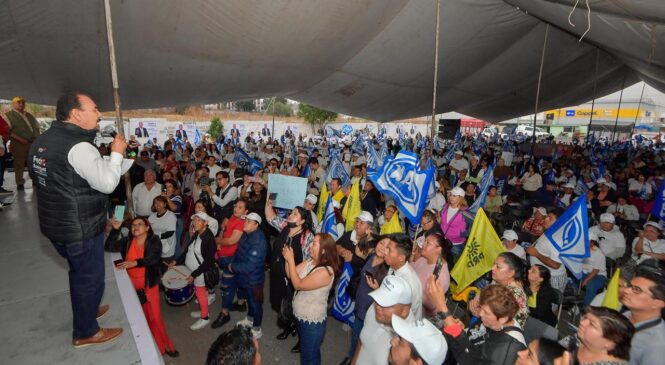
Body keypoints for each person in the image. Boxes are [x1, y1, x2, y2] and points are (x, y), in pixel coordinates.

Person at [28, 91, 125, 347]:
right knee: (90, 278)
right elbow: (106, 183)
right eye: (93, 109)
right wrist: (116, 154)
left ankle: (87, 310)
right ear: (76, 113)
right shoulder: (78, 145)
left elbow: (64, 176)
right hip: (80, 228)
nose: (98, 113)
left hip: (55, 225)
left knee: (78, 273)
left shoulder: (43, 140)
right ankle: (86, 332)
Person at [106, 217, 178, 357]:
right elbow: (109, 247)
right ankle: (155, 347)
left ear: (147, 228)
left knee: (156, 318)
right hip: (133, 289)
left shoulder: (154, 240)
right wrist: (115, 230)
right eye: (133, 225)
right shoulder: (127, 241)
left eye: (140, 224)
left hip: (149, 287)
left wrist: (134, 263)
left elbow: (153, 258)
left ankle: (167, 346)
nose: (135, 227)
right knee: (144, 318)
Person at [427, 282, 527, 365]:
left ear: (503, 319)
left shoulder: (505, 351)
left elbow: (470, 359)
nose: (480, 314)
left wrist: (442, 308)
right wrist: (463, 331)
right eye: (481, 308)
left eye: (486, 312)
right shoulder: (496, 321)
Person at [283, 233, 341, 364]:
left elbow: (298, 285)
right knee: (309, 352)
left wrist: (291, 260)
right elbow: (290, 274)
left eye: (314, 243)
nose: (310, 245)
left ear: (324, 250)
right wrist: (287, 259)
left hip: (312, 323)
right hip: (301, 317)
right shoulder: (311, 261)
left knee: (309, 357)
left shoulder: (326, 272)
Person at [265, 198, 314, 340]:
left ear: (301, 221)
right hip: (278, 276)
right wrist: (269, 204)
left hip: (295, 279)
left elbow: (310, 262)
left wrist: (298, 279)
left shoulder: (307, 237)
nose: (290, 215)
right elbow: (270, 217)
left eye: (295, 214)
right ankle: (287, 327)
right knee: (281, 304)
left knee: (296, 309)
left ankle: (301, 338)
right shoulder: (286, 226)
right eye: (291, 212)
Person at [340, 235, 391, 365]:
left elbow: (388, 298)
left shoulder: (388, 271)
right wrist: (366, 236)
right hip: (359, 306)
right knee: (357, 336)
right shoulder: (371, 256)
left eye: (387, 247)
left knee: (360, 338)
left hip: (371, 312)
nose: (382, 248)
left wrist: (377, 288)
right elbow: (358, 250)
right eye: (381, 243)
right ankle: (351, 357)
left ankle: (351, 359)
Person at [353, 275, 414, 365]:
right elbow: (362, 342)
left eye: (386, 304)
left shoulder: (410, 342)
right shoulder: (375, 309)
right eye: (378, 299)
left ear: (404, 311)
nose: (378, 306)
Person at [172, 212, 217, 330]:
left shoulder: (209, 238)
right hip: (193, 270)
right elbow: (188, 250)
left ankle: (205, 317)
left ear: (205, 223)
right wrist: (176, 261)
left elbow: (208, 261)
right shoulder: (197, 233)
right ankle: (204, 310)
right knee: (198, 292)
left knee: (201, 293)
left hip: (199, 272)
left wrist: (194, 274)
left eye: (198, 220)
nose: (194, 223)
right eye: (194, 220)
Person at [226, 213, 268, 339]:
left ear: (256, 225)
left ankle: (257, 329)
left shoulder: (259, 241)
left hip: (254, 280)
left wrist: (232, 267)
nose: (245, 223)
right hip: (245, 278)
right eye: (246, 220)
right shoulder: (247, 234)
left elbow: (250, 266)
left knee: (256, 303)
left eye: (249, 221)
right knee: (250, 300)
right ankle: (249, 320)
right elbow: (240, 252)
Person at [212, 199, 249, 329]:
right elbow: (223, 230)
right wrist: (220, 238)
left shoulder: (241, 223)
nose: (236, 209)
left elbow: (231, 241)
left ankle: (224, 313)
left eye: (240, 207)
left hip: (231, 258)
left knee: (227, 286)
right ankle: (241, 303)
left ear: (246, 211)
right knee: (238, 280)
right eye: (235, 206)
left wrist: (217, 240)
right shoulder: (232, 217)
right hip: (224, 255)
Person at [619, 263, 665, 365]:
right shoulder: (625, 315)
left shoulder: (657, 345)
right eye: (630, 286)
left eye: (636, 290)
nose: (626, 290)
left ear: (657, 303)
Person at [526, 210, 568, 292]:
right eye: (547, 216)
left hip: (552, 278)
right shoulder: (549, 231)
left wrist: (536, 254)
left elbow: (556, 265)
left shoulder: (558, 240)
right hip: (542, 276)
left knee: (548, 304)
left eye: (550, 218)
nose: (546, 219)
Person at [485, 252, 530, 327]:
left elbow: (514, 325)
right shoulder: (496, 281)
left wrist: (482, 314)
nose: (492, 268)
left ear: (510, 273)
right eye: (494, 264)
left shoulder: (516, 296)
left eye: (498, 267)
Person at [384, 233, 423, 319]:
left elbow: (407, 314)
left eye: (389, 250)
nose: (385, 252)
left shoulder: (410, 284)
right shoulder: (393, 267)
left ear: (401, 258)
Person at [411, 234, 451, 317]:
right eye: (424, 241)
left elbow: (430, 304)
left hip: (419, 315)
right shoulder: (424, 259)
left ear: (439, 249)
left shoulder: (439, 275)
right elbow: (411, 269)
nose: (422, 245)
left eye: (427, 243)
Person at [6, 96, 41, 190]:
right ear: (13, 104)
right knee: (19, 164)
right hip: (18, 144)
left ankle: (34, 180)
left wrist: (37, 139)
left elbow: (37, 128)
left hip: (32, 142)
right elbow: (7, 131)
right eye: (19, 102)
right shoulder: (8, 115)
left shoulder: (29, 115)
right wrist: (20, 139)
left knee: (32, 163)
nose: (21, 104)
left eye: (23, 102)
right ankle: (20, 183)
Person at [440, 187, 469, 265]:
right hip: (443, 241)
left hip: (456, 244)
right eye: (451, 195)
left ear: (461, 198)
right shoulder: (445, 207)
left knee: (454, 265)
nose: (451, 197)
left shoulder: (464, 212)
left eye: (454, 196)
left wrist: (460, 234)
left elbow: (471, 227)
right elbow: (442, 221)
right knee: (443, 263)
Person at [581, 232, 607, 306]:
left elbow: (596, 271)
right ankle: (574, 305)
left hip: (598, 275)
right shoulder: (581, 250)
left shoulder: (599, 253)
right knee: (571, 282)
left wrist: (586, 280)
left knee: (590, 286)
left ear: (593, 243)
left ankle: (587, 309)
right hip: (584, 272)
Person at [148, 196, 178, 262]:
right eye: (155, 203)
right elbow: (148, 230)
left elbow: (170, 233)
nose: (158, 205)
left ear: (165, 204)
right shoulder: (151, 216)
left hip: (167, 247)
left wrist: (154, 236)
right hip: (155, 246)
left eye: (160, 202)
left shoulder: (171, 215)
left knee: (166, 269)